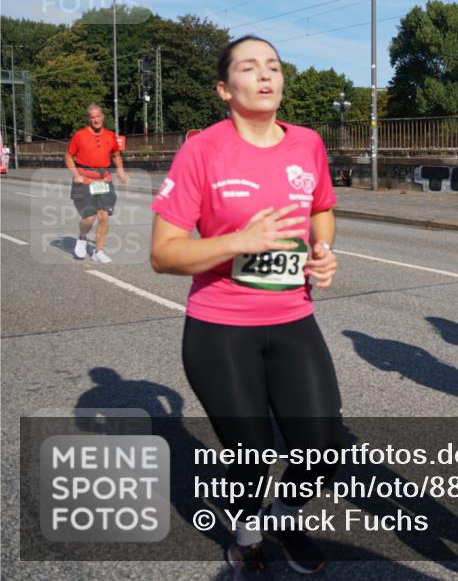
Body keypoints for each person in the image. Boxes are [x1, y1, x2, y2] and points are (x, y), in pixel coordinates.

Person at [150, 35, 342, 580]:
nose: (265, 76)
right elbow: (163, 254)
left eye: (274, 67)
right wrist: (238, 241)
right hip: (220, 327)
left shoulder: (307, 144)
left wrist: (324, 252)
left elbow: (322, 208)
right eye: (250, 68)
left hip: (293, 320)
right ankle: (246, 529)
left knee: (322, 448)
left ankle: (283, 516)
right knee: (253, 457)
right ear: (223, 88)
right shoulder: (203, 150)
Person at [65, 104, 129, 262]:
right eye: (92, 117)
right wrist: (75, 174)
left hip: (103, 180)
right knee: (89, 217)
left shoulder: (110, 135)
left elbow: (115, 155)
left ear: (102, 116)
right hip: (85, 179)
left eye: (98, 116)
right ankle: (82, 238)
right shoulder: (80, 135)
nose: (96, 120)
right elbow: (68, 156)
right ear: (89, 119)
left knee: (104, 216)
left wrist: (120, 170)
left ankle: (98, 251)